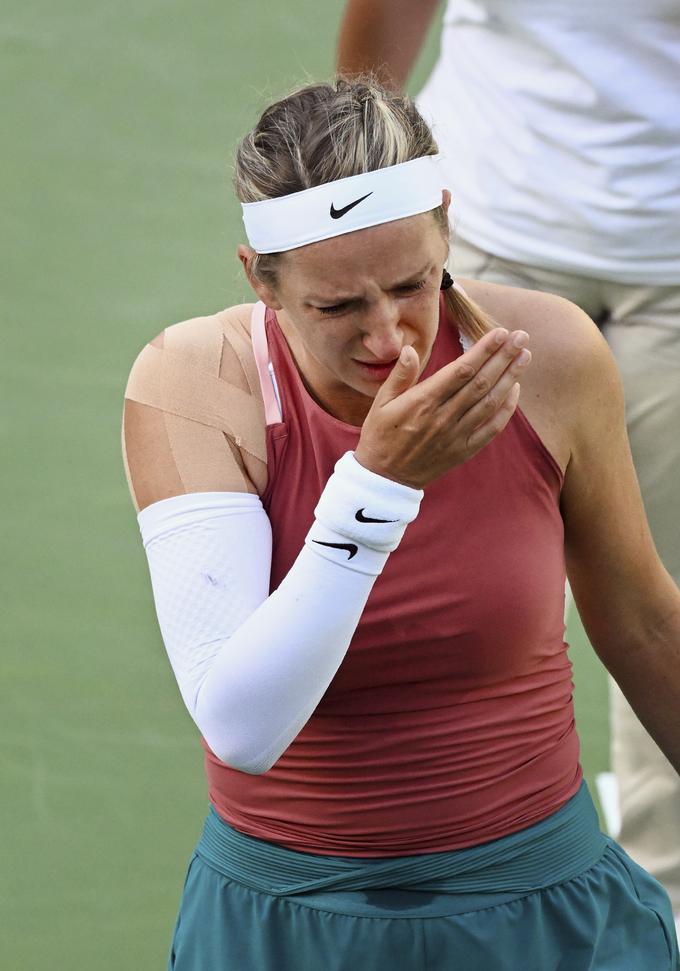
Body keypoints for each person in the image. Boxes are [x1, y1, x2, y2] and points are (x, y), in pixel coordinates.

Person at [122, 78, 680, 970]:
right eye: (337, 307)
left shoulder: (553, 357)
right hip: (287, 931)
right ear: (258, 278)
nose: (388, 337)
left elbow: (646, 622)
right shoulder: (195, 383)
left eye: (413, 284)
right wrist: (375, 486)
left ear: (448, 226)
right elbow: (242, 726)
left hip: (547, 917)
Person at [337, 0, 680, 929]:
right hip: (479, 245)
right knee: (440, 581)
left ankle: (665, 915)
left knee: (664, 601)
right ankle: (414, 887)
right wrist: (358, 204)